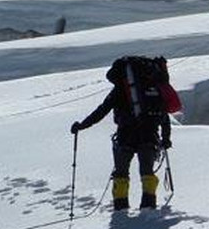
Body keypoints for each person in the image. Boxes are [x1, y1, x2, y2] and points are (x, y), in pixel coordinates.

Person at [71, 76, 172, 210]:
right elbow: (165, 116)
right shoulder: (153, 88)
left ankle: (120, 207)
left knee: (121, 173)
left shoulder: (119, 90)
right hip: (149, 135)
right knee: (147, 171)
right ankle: (148, 206)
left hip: (125, 135)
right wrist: (166, 138)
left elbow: (101, 111)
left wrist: (82, 125)